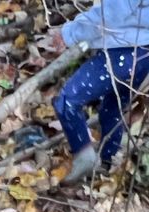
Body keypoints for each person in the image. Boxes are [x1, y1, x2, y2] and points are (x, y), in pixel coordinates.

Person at [52, 0, 149, 182]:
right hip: (143, 55)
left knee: (67, 100)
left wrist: (69, 34)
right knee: (112, 109)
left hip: (123, 51)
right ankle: (107, 161)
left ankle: (84, 157)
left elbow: (110, 15)